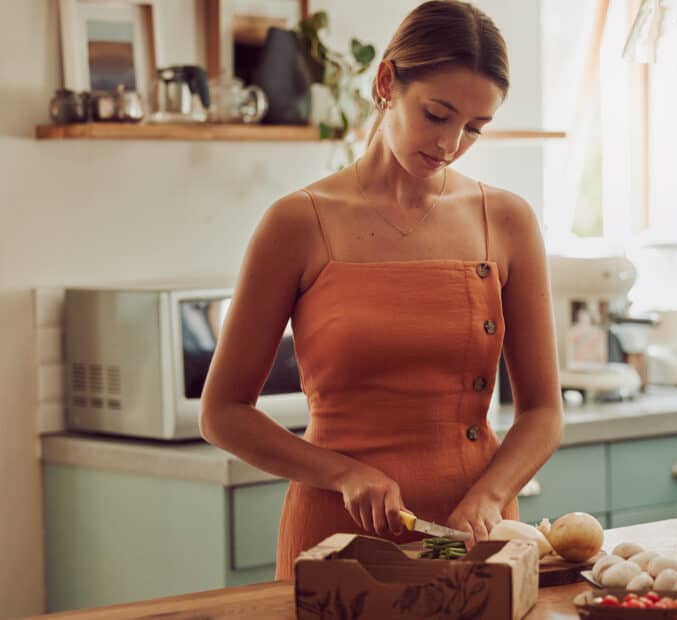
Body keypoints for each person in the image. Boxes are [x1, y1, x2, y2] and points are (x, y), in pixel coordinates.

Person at [199, 0, 563, 581]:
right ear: (387, 80)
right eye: (437, 115)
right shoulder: (297, 223)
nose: (451, 144)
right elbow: (223, 413)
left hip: (463, 538)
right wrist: (342, 473)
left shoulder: (507, 220)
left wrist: (492, 495)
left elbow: (543, 410)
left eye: (474, 128)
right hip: (340, 543)